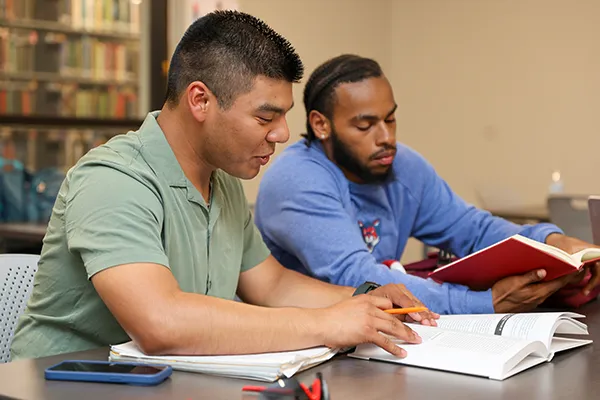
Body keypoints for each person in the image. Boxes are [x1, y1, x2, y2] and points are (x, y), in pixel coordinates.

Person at [10, 14, 437, 361]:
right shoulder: (112, 179)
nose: (283, 134)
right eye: (265, 118)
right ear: (200, 100)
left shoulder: (222, 182)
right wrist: (329, 323)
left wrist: (364, 300)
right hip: (65, 386)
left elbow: (271, 285)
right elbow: (162, 324)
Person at [254, 54, 600, 315]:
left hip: (377, 325)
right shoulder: (297, 179)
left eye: (390, 119)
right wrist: (485, 303)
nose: (386, 138)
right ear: (321, 125)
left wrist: (553, 242)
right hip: (305, 344)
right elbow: (357, 276)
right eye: (365, 126)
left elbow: (472, 229)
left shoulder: (401, 163)